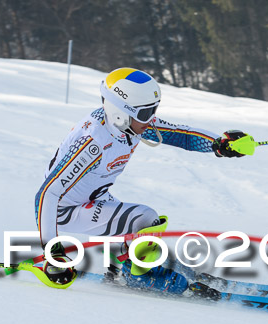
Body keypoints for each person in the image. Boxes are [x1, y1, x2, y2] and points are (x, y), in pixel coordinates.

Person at [34, 67, 251, 295]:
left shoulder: (128, 125)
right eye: (146, 113)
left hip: (92, 197)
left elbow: (179, 134)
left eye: (153, 110)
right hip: (65, 210)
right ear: (120, 112)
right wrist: (53, 252)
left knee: (140, 232)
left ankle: (124, 264)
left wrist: (219, 144)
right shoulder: (93, 143)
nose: (151, 119)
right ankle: (137, 275)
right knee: (145, 219)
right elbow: (47, 194)